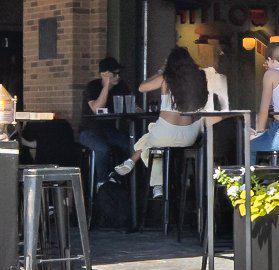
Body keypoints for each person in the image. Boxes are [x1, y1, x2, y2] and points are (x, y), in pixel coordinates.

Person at [115, 48, 209, 209]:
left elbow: (142, 87)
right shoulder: (199, 77)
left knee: (151, 142)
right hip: (190, 135)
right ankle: (178, 180)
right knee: (152, 139)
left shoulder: (167, 77)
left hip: (166, 133)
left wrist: (161, 71)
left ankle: (153, 180)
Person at [76, 58, 133, 195]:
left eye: (119, 73)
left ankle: (118, 178)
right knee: (103, 149)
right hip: (89, 131)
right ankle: (102, 184)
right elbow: (96, 108)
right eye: (114, 74)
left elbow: (130, 106)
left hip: (109, 130)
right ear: (104, 74)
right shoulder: (93, 86)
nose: (118, 77)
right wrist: (106, 86)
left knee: (130, 145)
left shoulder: (122, 86)